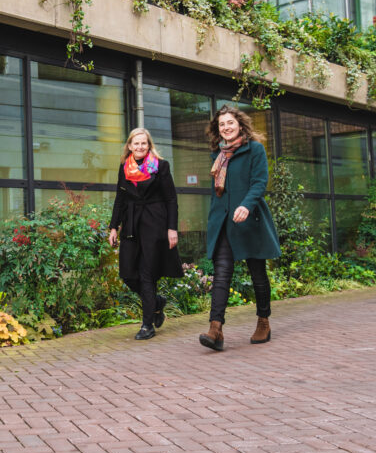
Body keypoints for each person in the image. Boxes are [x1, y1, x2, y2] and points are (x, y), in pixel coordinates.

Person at [200, 105, 281, 351]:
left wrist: (246, 205)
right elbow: (217, 192)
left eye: (230, 123)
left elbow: (259, 182)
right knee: (222, 272)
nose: (226, 127)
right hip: (224, 222)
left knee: (258, 274)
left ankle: (263, 321)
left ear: (240, 124)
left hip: (249, 220)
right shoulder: (218, 154)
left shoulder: (254, 149)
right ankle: (215, 329)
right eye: (222, 124)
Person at [108, 128, 183, 340]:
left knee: (147, 274)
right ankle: (156, 303)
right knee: (127, 274)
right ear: (130, 146)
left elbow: (171, 199)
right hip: (131, 225)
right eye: (136, 143)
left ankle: (147, 325)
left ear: (149, 145)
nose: (140, 147)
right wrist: (113, 227)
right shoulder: (125, 168)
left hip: (154, 224)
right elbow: (120, 199)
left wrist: (172, 228)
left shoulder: (160, 166)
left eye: (144, 143)